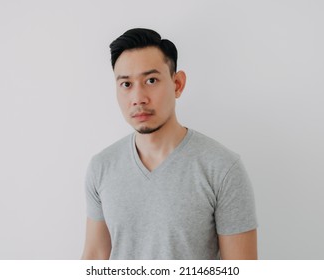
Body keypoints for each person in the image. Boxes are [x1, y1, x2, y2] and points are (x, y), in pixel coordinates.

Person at [81, 28, 258, 260]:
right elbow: (95, 256)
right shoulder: (101, 167)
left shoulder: (222, 168)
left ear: (177, 84)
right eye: (126, 84)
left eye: (151, 80)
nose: (138, 98)